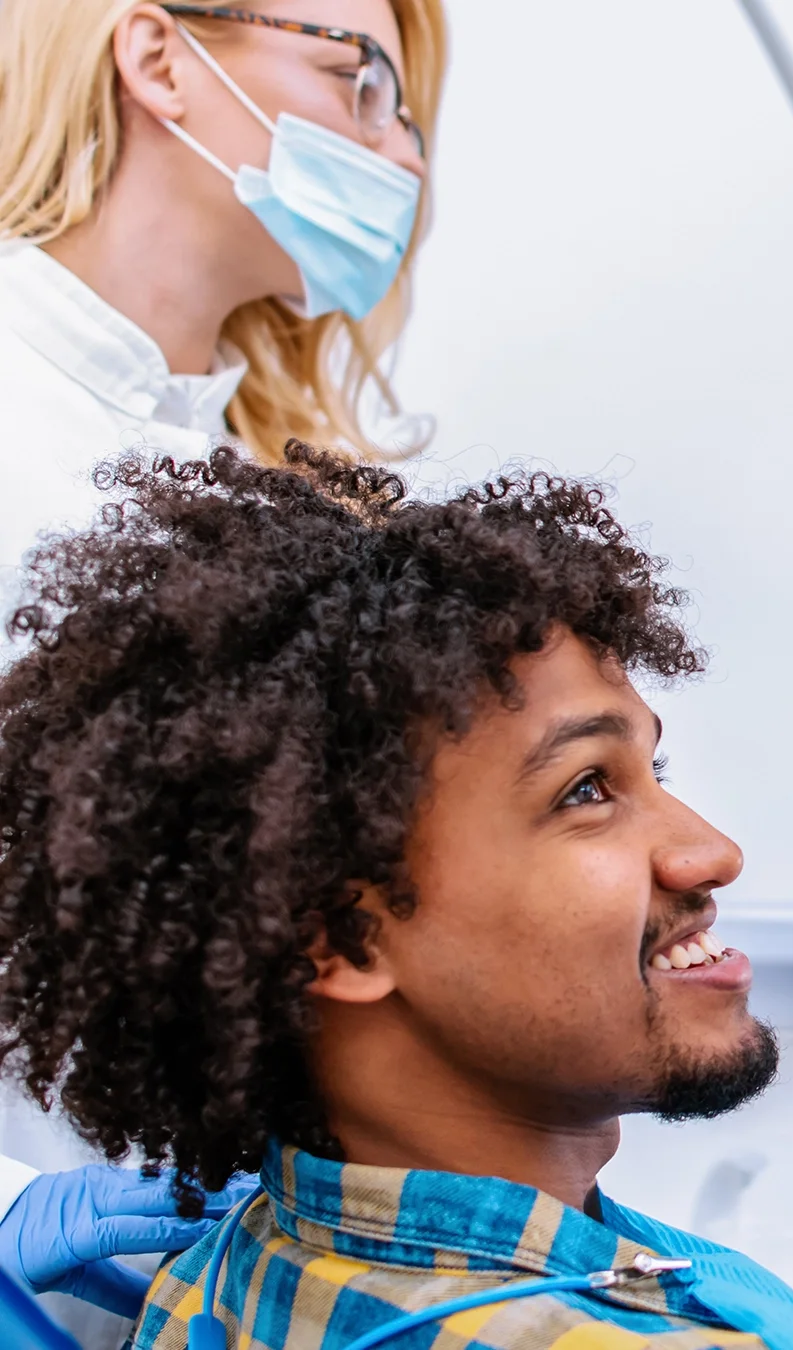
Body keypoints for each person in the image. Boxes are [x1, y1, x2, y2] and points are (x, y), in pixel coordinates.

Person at [0, 447, 793, 1349]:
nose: (712, 853)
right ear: (343, 938)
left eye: (654, 767)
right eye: (585, 789)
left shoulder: (216, 1280)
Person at [0, 0, 445, 1327]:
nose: (406, 163)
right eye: (360, 82)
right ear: (158, 63)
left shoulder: (258, 480)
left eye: (412, 118)